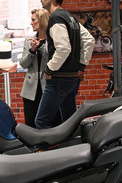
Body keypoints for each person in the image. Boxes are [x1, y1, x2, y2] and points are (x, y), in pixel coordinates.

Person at [35, 0, 94, 129]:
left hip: (59, 79)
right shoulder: (70, 17)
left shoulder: (56, 18)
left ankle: (50, 150)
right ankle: (75, 148)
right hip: (72, 79)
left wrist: (49, 68)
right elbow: (89, 40)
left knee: (41, 121)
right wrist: (81, 66)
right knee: (70, 122)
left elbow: (63, 48)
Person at [20, 8, 51, 128]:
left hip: (47, 89)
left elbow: (52, 60)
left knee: (47, 123)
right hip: (30, 90)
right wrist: (32, 50)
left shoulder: (52, 40)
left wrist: (41, 47)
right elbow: (23, 64)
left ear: (42, 21)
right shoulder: (28, 40)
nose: (31, 23)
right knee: (31, 124)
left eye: (33, 20)